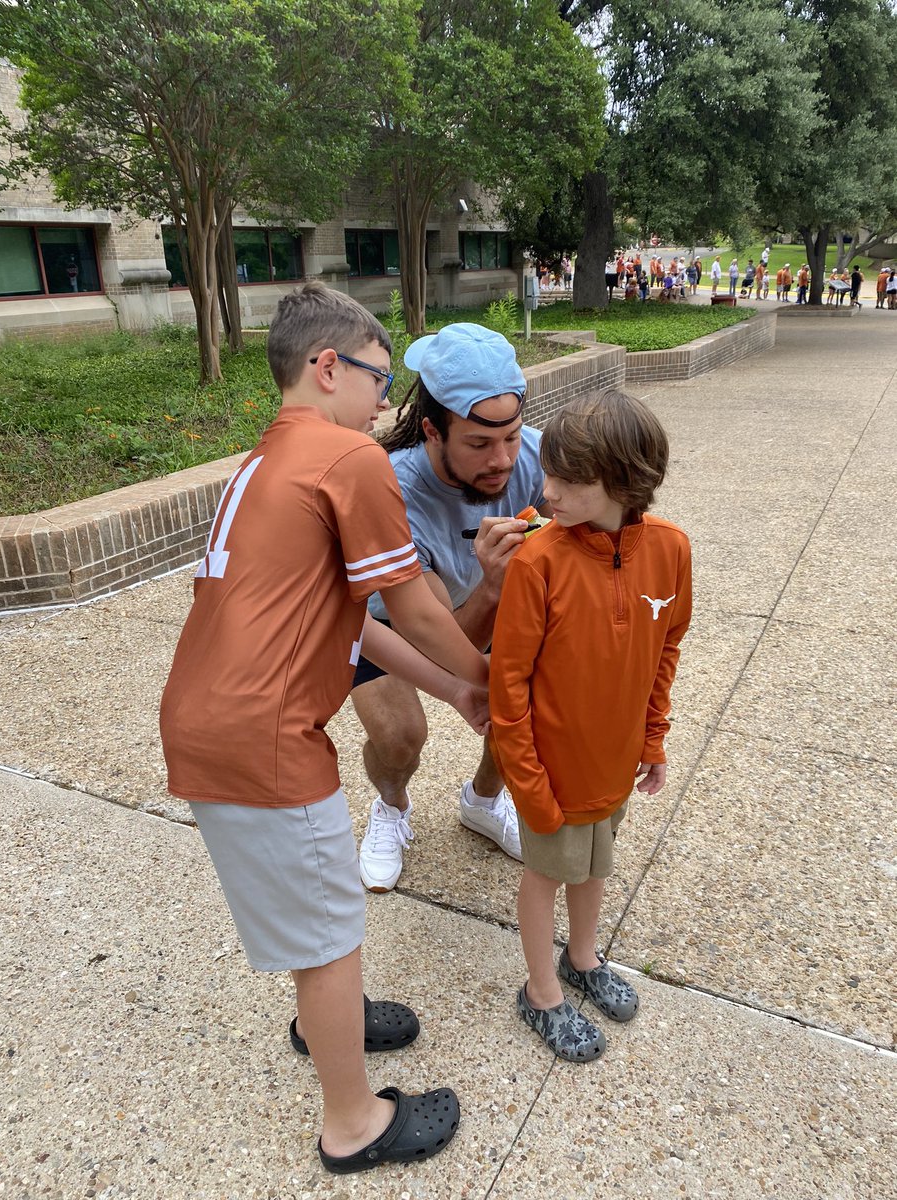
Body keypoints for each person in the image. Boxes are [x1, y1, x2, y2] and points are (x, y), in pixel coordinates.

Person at [159, 283, 494, 1174]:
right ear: (328, 366)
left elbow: (359, 620)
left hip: (211, 720)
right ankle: (354, 1125)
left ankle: (326, 1022)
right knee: (332, 925)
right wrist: (493, 673)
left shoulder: (267, 462)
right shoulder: (350, 461)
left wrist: (456, 694)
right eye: (382, 380)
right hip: (264, 735)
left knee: (319, 913)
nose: (387, 402)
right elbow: (418, 605)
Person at [489, 390, 692, 1062]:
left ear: (625, 481)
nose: (547, 492)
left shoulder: (669, 550)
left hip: (614, 764)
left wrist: (653, 736)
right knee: (545, 875)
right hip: (551, 769)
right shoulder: (538, 560)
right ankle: (541, 992)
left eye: (568, 481)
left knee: (596, 864)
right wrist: (528, 783)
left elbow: (666, 647)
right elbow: (508, 682)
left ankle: (582, 957)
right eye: (547, 474)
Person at [351, 323, 550, 892]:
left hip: (484, 605)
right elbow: (436, 636)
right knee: (400, 735)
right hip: (399, 626)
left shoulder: (534, 459)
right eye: (480, 444)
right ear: (433, 432)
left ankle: (484, 802)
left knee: (526, 706)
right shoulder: (393, 492)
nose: (503, 460)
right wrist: (490, 585)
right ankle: (391, 807)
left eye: (511, 437)